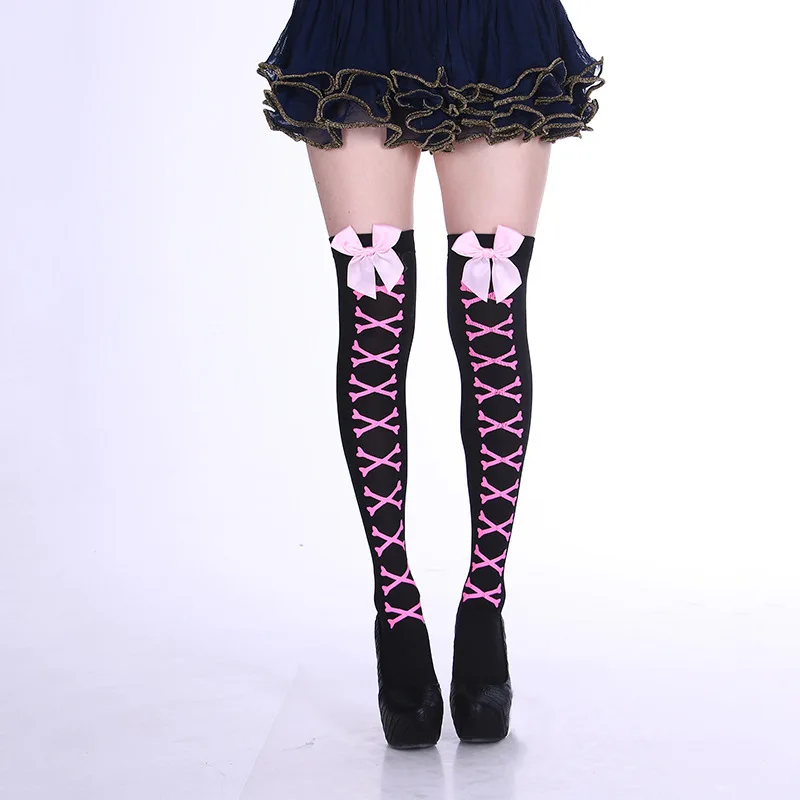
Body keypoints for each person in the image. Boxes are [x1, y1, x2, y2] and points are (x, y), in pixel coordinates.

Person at [256, 0, 604, 749]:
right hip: (357, 22)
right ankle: (396, 603)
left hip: (492, 22)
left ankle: (484, 599)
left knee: (492, 309)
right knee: (372, 310)